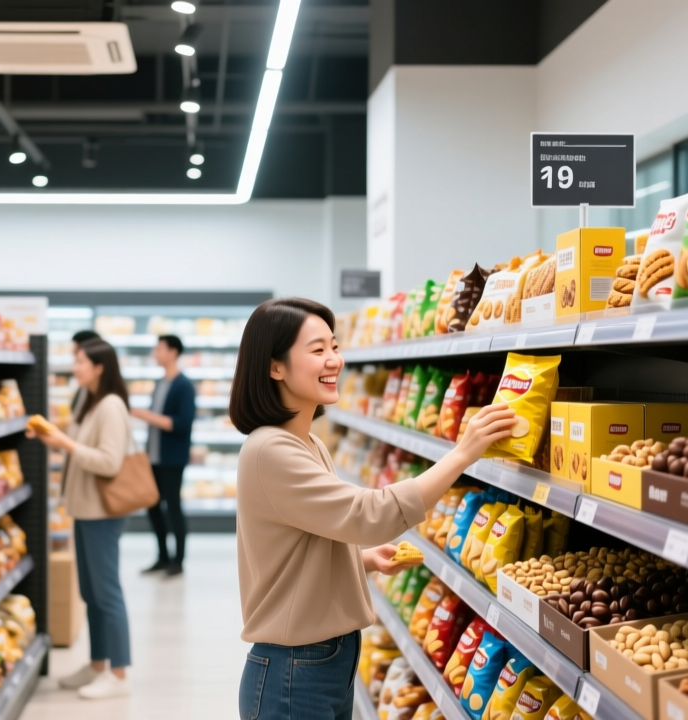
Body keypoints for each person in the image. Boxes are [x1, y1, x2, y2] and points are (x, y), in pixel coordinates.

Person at [230, 297, 517, 720]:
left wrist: (360, 560)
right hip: (295, 669)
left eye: (334, 346)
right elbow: (370, 515)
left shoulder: (308, 444)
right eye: (317, 350)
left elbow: (299, 548)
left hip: (324, 661)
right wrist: (462, 454)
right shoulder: (270, 450)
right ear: (275, 367)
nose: (334, 360)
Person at [27, 338, 135, 699]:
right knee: (90, 593)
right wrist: (50, 436)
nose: (75, 367)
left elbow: (109, 461)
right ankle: (97, 664)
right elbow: (74, 444)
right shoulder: (88, 401)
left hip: (102, 512)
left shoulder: (111, 406)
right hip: (85, 509)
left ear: (99, 367)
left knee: (107, 593)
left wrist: (67, 443)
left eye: (80, 362)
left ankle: (119, 674)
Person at [130, 335, 197, 576]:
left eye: (159, 349)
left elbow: (183, 424)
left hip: (172, 459)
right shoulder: (160, 383)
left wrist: (146, 415)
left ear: (173, 352)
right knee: (153, 507)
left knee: (173, 508)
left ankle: (178, 561)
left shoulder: (184, 385)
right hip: (154, 457)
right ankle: (162, 557)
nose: (155, 353)